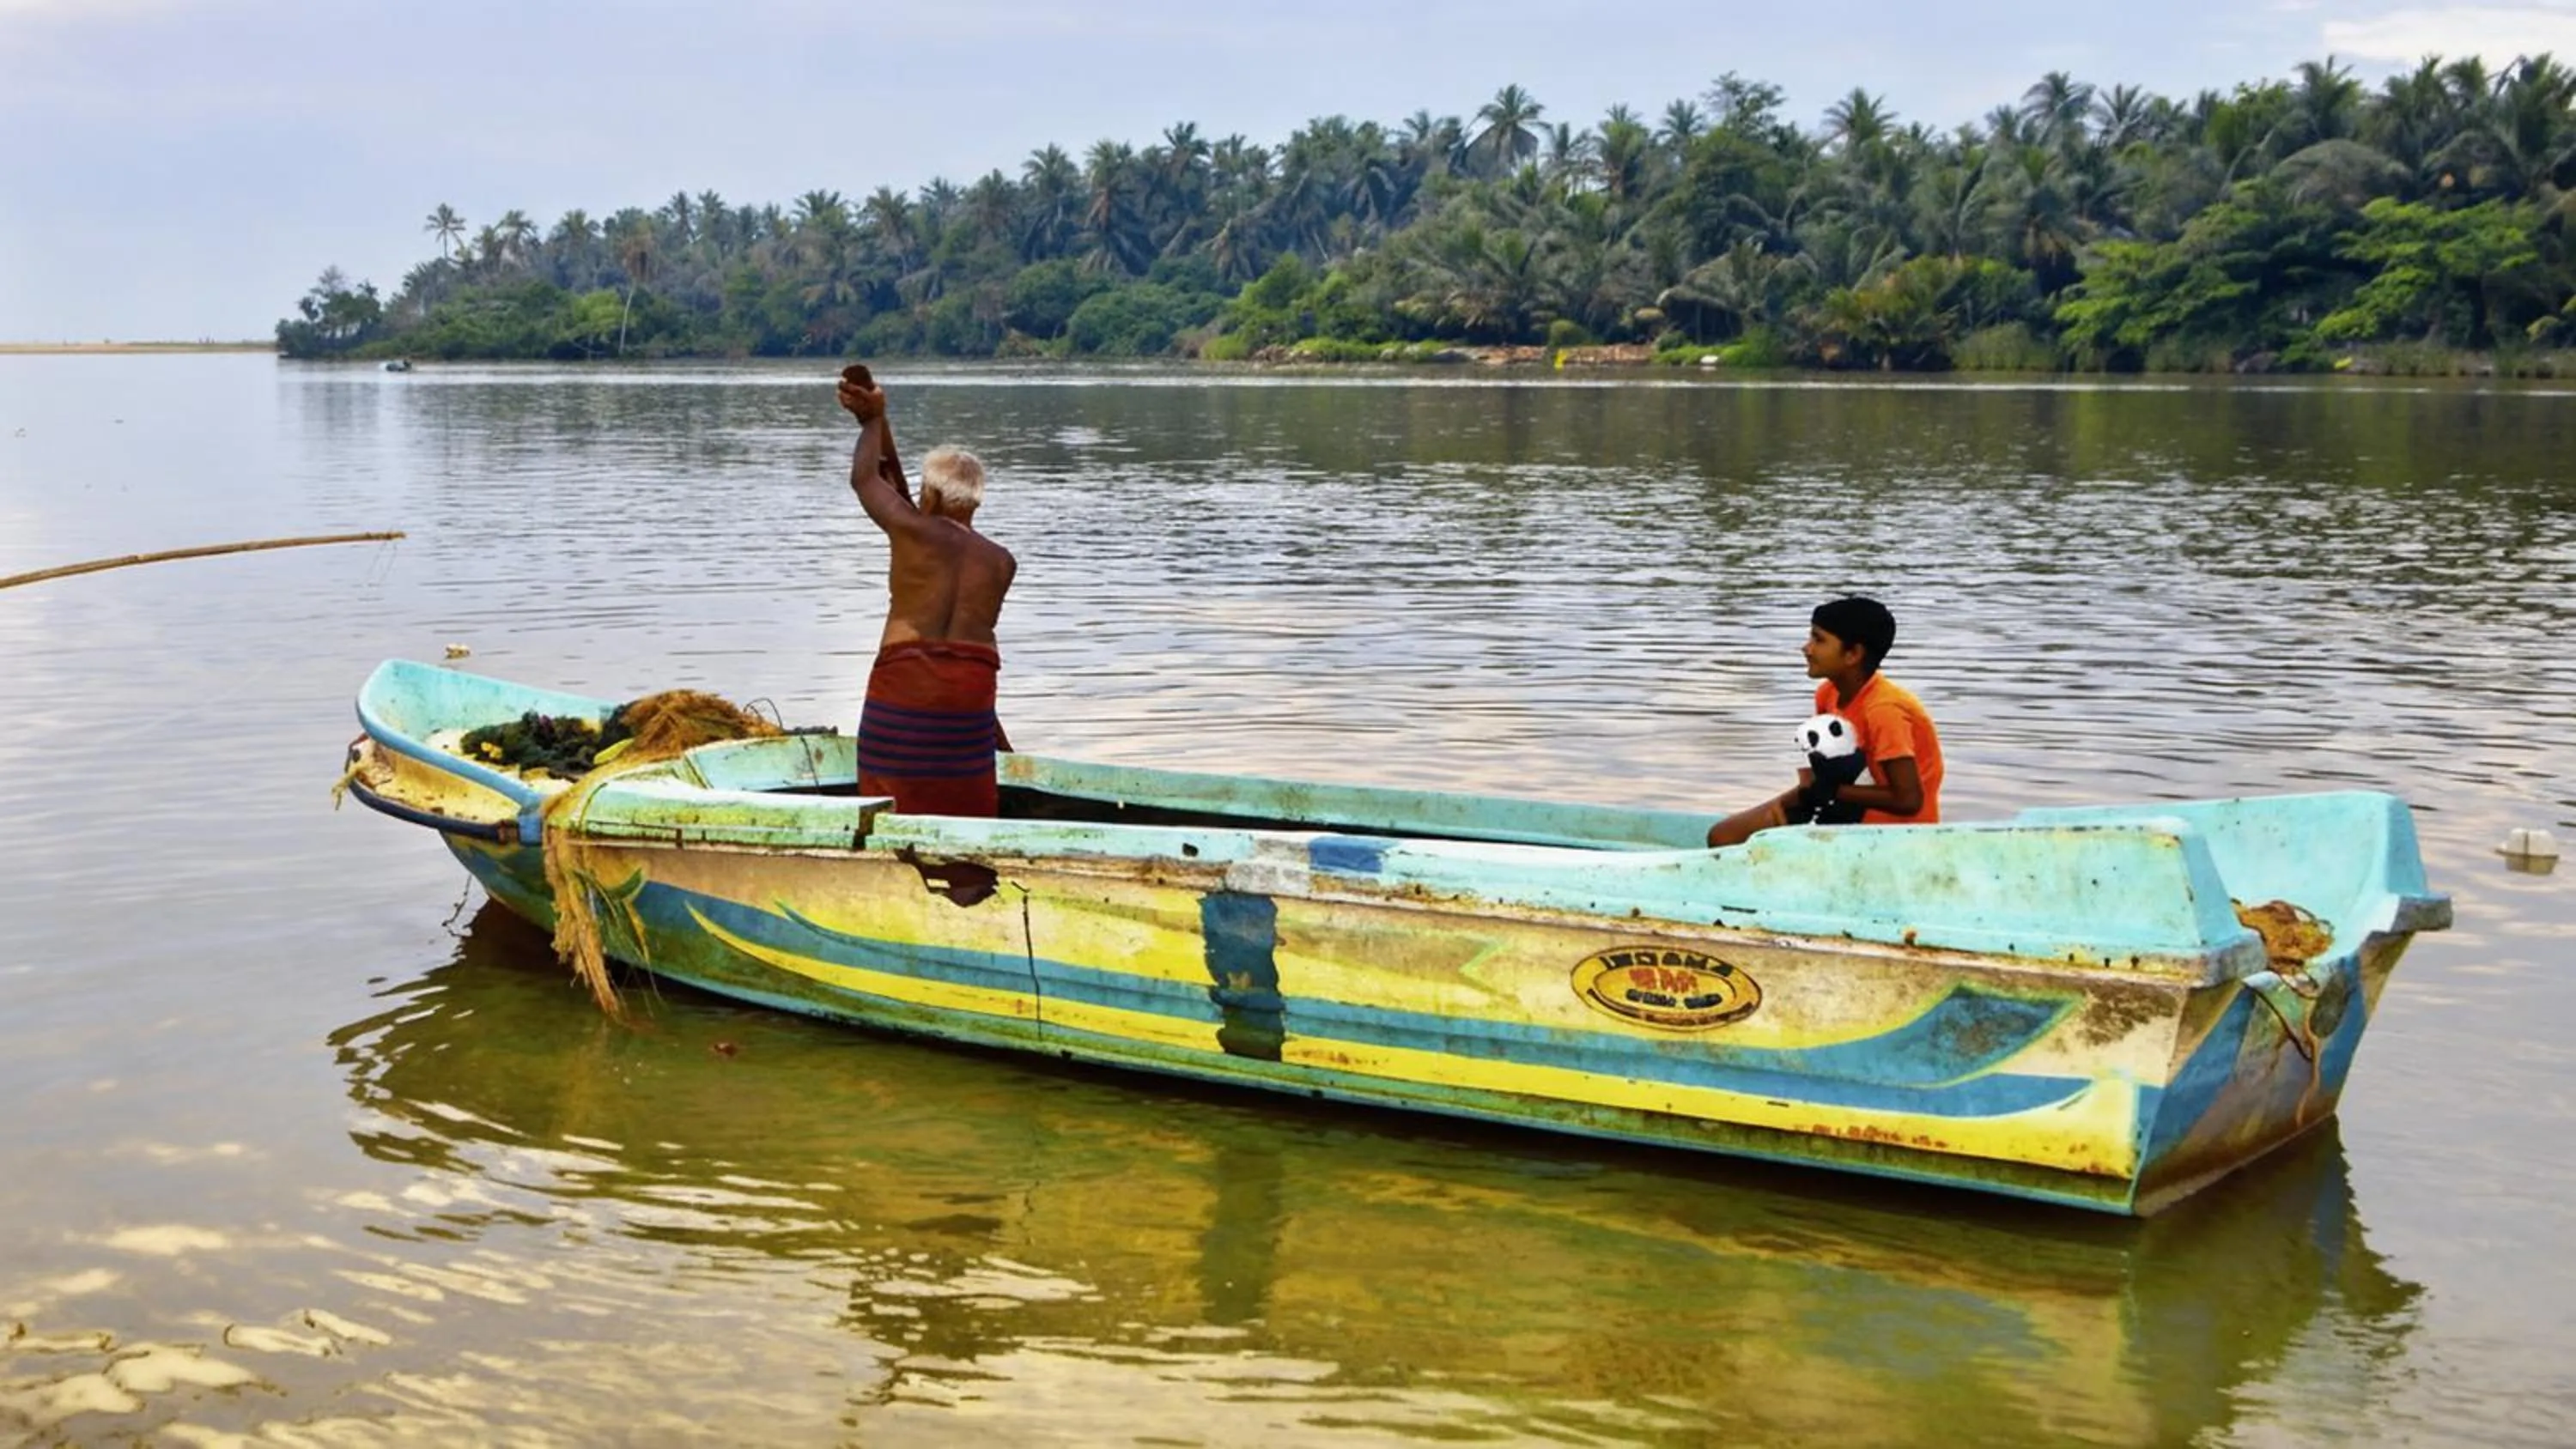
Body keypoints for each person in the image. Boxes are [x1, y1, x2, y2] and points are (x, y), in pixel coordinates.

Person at [836, 366, 1018, 816]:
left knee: (891, 796)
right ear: (975, 501)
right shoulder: (1001, 562)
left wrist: (871, 422)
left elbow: (867, 480)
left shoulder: (912, 529)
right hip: (970, 695)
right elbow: (960, 647)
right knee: (965, 801)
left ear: (931, 497)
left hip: (907, 686)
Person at [1705, 596, 1943, 848]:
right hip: (1842, 811)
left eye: (1819, 640)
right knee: (1722, 836)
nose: (1806, 648)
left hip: (1897, 834)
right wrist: (1787, 803)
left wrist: (1830, 792)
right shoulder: (1827, 693)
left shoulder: (1884, 710)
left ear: (1853, 654)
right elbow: (1818, 775)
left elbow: (1908, 800)